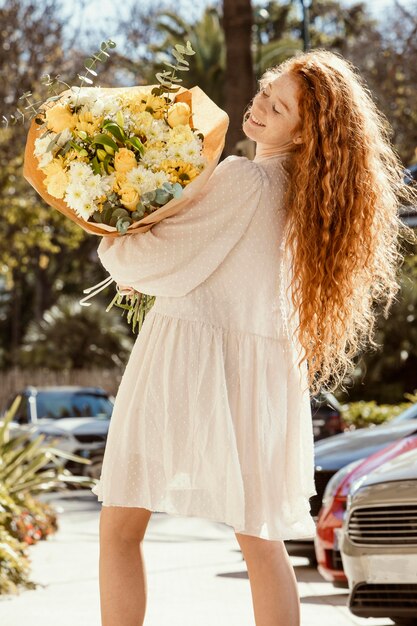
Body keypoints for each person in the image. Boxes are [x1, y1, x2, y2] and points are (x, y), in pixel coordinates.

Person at [92, 49, 416, 626]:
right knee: (260, 541)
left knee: (119, 528)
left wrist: (110, 228)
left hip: (184, 361)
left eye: (279, 104)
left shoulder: (247, 178)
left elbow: (151, 264)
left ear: (306, 131)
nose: (260, 105)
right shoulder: (313, 210)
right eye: (266, 90)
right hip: (262, 378)